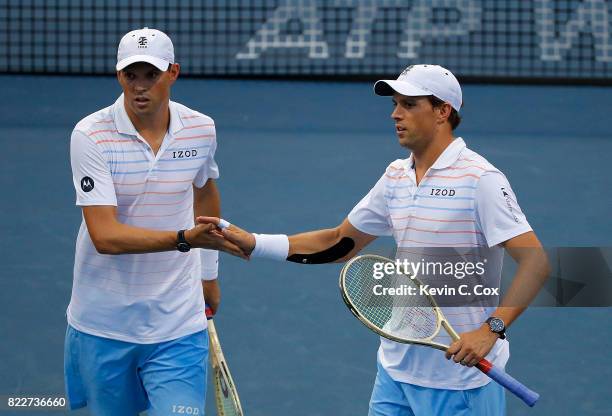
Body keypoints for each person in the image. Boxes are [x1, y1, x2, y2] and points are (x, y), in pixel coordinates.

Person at [199, 65, 550, 415]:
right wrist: (254, 243)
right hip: (395, 372)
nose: (395, 114)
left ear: (443, 111)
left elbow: (536, 263)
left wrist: (491, 331)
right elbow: (340, 242)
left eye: (410, 105)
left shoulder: (481, 179)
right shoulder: (396, 175)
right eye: (395, 104)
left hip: (459, 383)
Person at [65, 27, 244, 416]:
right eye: (131, 75)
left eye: (152, 75)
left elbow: (204, 191)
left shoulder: (201, 128)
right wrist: (185, 239)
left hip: (177, 323)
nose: (140, 86)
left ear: (173, 73)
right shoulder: (90, 135)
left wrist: (208, 274)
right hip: (103, 325)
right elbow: (105, 236)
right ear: (119, 77)